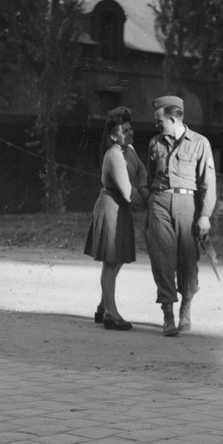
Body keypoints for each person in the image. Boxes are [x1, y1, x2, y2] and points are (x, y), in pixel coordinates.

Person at [146, 95, 217, 336]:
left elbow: (209, 183)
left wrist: (205, 215)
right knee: (162, 258)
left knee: (188, 261)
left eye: (160, 120)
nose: (157, 125)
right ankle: (167, 313)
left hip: (188, 204)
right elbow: (149, 178)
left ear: (174, 118)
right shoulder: (155, 143)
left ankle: (185, 309)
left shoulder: (200, 143)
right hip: (160, 202)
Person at [84, 106, 149, 330]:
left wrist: (142, 185)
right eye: (125, 130)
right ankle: (111, 314)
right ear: (113, 135)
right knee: (111, 261)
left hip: (121, 210)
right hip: (111, 207)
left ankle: (103, 306)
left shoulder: (128, 149)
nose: (130, 133)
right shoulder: (113, 155)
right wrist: (151, 201)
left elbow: (142, 171)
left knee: (117, 259)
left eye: (131, 129)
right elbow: (127, 191)